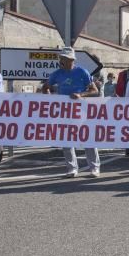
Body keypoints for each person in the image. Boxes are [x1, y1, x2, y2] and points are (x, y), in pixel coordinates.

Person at [46, 47, 101, 178]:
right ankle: (71, 168)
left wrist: (81, 95)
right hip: (64, 111)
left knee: (87, 138)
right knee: (66, 139)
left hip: (81, 110)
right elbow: (45, 87)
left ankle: (94, 168)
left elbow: (95, 90)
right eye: (61, 58)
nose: (62, 60)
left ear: (72, 60)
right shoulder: (57, 74)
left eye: (64, 58)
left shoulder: (82, 72)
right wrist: (49, 99)